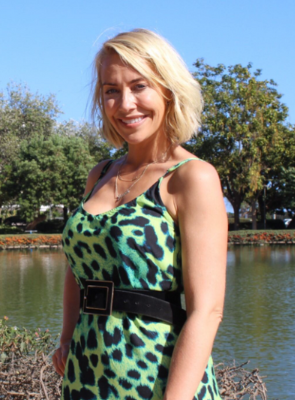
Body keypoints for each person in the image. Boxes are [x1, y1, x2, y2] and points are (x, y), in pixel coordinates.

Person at [52, 29, 227, 400]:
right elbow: (78, 265)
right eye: (111, 90)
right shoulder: (100, 175)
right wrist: (67, 337)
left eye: (139, 86)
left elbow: (207, 311)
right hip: (86, 372)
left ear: (168, 89)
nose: (125, 104)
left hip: (157, 378)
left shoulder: (191, 178)